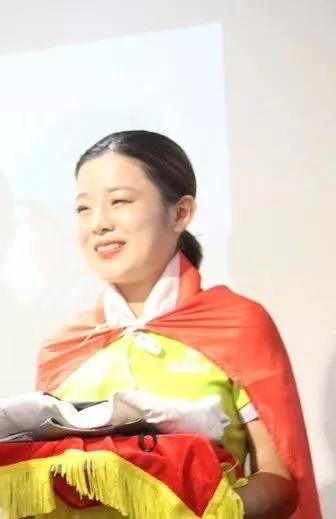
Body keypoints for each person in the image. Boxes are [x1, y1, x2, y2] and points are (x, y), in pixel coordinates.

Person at [34, 130, 319, 518]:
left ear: (180, 213)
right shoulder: (64, 346)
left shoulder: (237, 326)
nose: (98, 223)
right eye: (83, 208)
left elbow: (278, 478)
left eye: (119, 201)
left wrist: (208, 509)